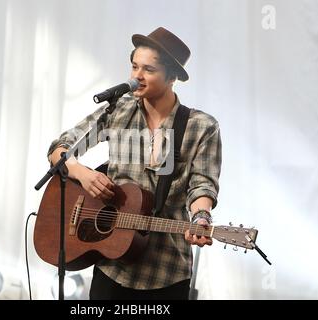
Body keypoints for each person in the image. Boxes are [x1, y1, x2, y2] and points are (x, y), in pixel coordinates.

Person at [47, 27, 222, 300]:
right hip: (111, 263)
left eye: (148, 70)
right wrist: (82, 174)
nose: (136, 76)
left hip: (165, 269)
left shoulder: (201, 126)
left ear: (172, 77)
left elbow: (202, 186)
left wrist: (201, 217)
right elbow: (59, 150)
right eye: (134, 67)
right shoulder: (118, 108)